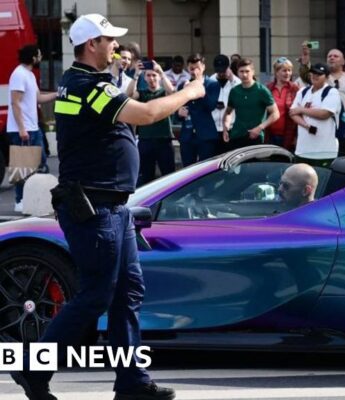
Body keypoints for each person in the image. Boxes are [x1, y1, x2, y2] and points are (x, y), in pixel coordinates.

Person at [10, 13, 206, 400]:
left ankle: (132, 382)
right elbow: (146, 114)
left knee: (128, 291)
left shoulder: (78, 81)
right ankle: (33, 368)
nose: (115, 45)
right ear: (91, 45)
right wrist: (190, 92)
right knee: (97, 294)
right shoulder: (90, 86)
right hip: (96, 208)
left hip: (111, 207)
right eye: (109, 40)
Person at [7, 44, 56, 212]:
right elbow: (15, 102)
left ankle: (36, 199)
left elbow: (38, 98)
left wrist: (58, 94)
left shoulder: (29, 75)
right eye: (39, 55)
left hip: (33, 127)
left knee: (40, 164)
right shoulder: (19, 74)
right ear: (33, 57)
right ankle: (20, 201)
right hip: (22, 129)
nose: (41, 58)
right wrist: (22, 129)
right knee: (23, 166)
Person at [128, 59, 176, 185]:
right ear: (145, 77)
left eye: (154, 75)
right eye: (148, 75)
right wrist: (136, 75)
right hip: (145, 140)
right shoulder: (142, 93)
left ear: (158, 77)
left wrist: (161, 72)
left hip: (164, 140)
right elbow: (129, 95)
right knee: (145, 178)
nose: (151, 78)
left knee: (169, 176)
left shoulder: (163, 92)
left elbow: (172, 92)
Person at [289, 63, 341, 166]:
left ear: (327, 77)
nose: (315, 76)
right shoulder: (303, 91)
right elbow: (292, 113)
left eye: (319, 74)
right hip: (302, 150)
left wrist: (301, 110)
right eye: (313, 73)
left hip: (324, 152)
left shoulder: (332, 92)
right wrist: (307, 126)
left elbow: (324, 114)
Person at [222, 58, 280, 150]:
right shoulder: (234, 91)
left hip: (255, 137)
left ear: (253, 72)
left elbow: (275, 113)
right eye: (241, 71)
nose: (244, 74)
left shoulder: (262, 90)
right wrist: (225, 127)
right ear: (237, 73)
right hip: (236, 136)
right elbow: (228, 112)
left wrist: (260, 128)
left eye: (247, 71)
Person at [178, 54, 220, 165]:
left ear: (203, 67)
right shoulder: (183, 86)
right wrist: (179, 113)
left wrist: (199, 87)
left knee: (206, 168)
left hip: (205, 134)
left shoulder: (212, 84)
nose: (195, 71)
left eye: (198, 68)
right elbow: (177, 109)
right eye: (192, 69)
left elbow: (210, 106)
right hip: (187, 135)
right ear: (188, 68)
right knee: (187, 169)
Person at [265, 57, 300, 151]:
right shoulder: (268, 88)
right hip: (270, 135)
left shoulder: (295, 89)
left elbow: (300, 114)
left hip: (289, 136)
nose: (287, 73)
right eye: (284, 70)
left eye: (289, 70)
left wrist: (297, 136)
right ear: (276, 72)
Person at [210, 54, 241, 154]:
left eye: (223, 70)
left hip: (230, 127)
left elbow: (240, 96)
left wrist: (232, 80)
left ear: (228, 67)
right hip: (214, 127)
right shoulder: (210, 81)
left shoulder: (236, 82)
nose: (221, 73)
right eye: (218, 71)